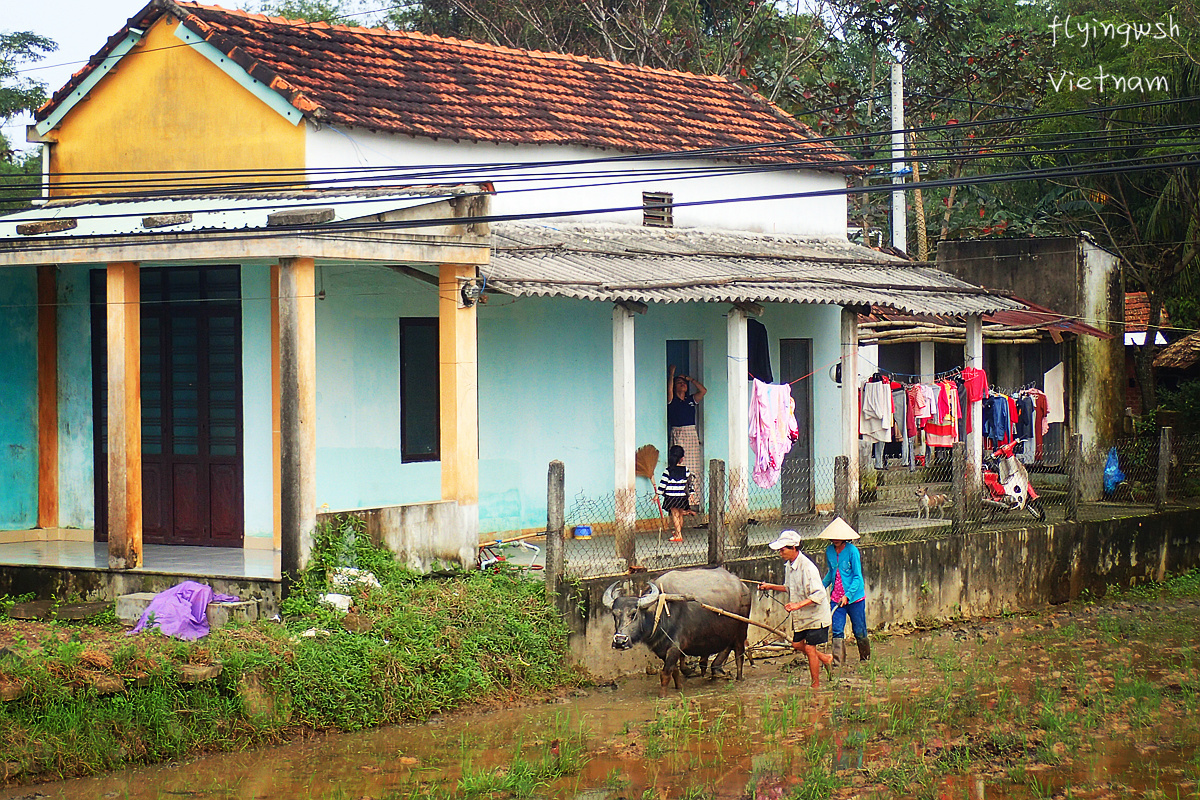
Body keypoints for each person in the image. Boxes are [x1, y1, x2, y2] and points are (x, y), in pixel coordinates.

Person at [759, 530, 833, 688]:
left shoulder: (808, 568)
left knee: (809, 648)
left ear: (794, 548)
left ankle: (815, 685)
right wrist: (769, 586)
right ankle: (825, 658)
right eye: (779, 550)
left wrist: (797, 605)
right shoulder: (789, 566)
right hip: (802, 616)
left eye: (783, 549)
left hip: (816, 616)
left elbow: (819, 594)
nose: (780, 552)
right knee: (796, 645)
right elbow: (788, 587)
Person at [819, 517, 870, 666]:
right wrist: (820, 587)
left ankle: (865, 659)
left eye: (838, 537)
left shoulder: (852, 551)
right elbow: (831, 573)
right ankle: (837, 662)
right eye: (833, 537)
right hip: (836, 597)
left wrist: (848, 595)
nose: (835, 540)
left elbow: (857, 577)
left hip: (855, 599)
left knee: (859, 629)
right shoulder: (829, 551)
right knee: (837, 630)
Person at [667, 365, 706, 510]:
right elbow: (670, 390)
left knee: (693, 467)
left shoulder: (690, 399)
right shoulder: (672, 400)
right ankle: (678, 501)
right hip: (678, 432)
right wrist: (672, 375)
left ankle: (692, 501)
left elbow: (703, 391)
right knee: (679, 465)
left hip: (691, 433)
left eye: (684, 383)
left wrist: (690, 379)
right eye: (679, 382)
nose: (682, 384)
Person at [658, 445, 695, 542]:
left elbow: (663, 483)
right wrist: (691, 494)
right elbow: (689, 482)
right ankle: (678, 532)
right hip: (682, 496)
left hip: (671, 497)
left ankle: (678, 535)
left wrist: (658, 494)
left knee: (675, 514)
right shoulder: (685, 469)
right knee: (680, 514)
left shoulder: (668, 470)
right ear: (681, 459)